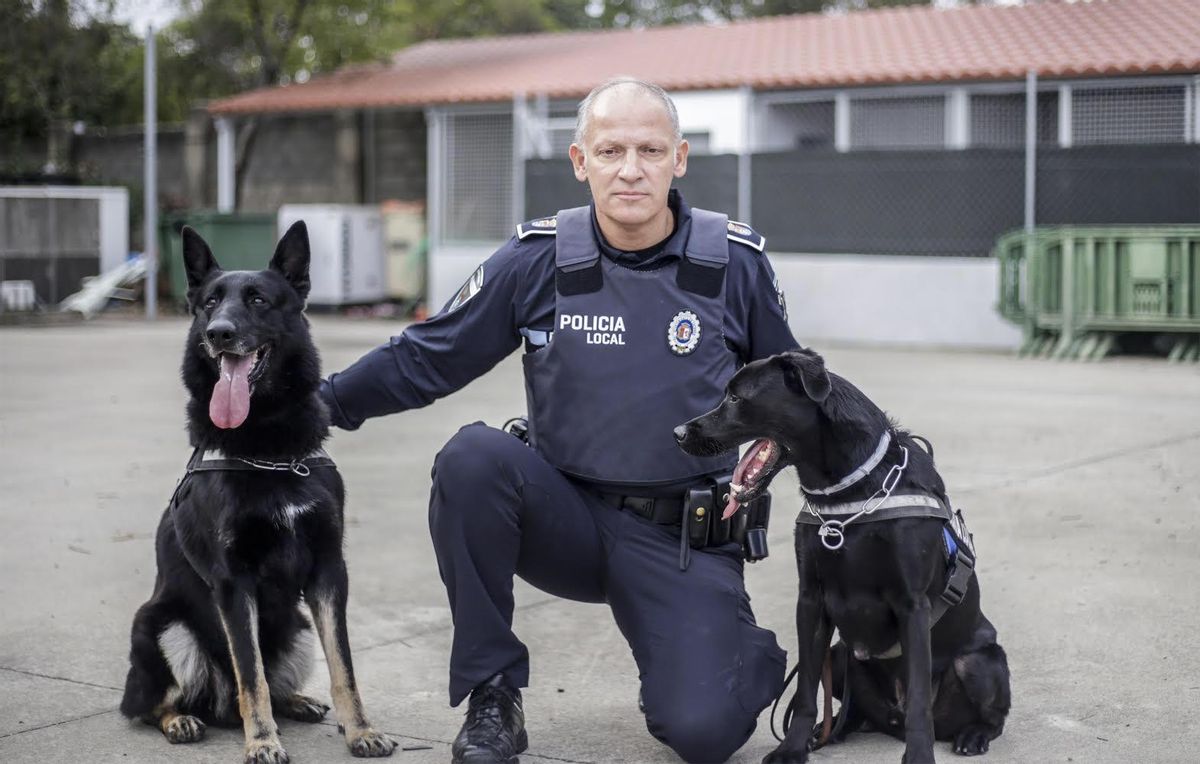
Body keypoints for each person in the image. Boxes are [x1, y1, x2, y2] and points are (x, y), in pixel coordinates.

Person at [320, 77, 798, 763]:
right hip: (564, 517)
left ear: (680, 159)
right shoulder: (539, 259)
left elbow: (795, 396)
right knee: (472, 459)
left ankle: (716, 650)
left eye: (649, 150)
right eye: (609, 151)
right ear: (580, 162)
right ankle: (494, 698)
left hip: (683, 538)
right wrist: (316, 405)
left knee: (704, 731)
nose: (630, 169)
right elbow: (432, 355)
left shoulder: (734, 265)